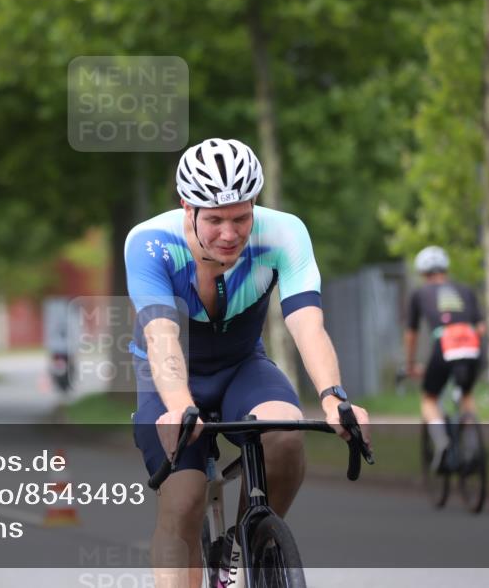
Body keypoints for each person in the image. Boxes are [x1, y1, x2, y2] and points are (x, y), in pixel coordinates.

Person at [126, 138, 371, 588]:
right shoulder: (149, 243)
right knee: (183, 500)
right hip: (169, 375)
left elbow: (307, 325)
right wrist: (180, 405)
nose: (230, 232)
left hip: (241, 364)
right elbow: (161, 336)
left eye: (241, 217)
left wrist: (335, 397)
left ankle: (243, 551)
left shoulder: (284, 233)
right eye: (215, 219)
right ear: (188, 208)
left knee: (286, 434)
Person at [405, 245, 485, 472]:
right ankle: (472, 445)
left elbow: (411, 334)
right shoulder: (465, 290)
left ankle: (442, 444)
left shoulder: (420, 294)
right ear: (446, 268)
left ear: (422, 272)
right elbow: (481, 327)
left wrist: (411, 365)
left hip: (444, 346)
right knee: (466, 394)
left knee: (429, 398)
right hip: (471, 345)